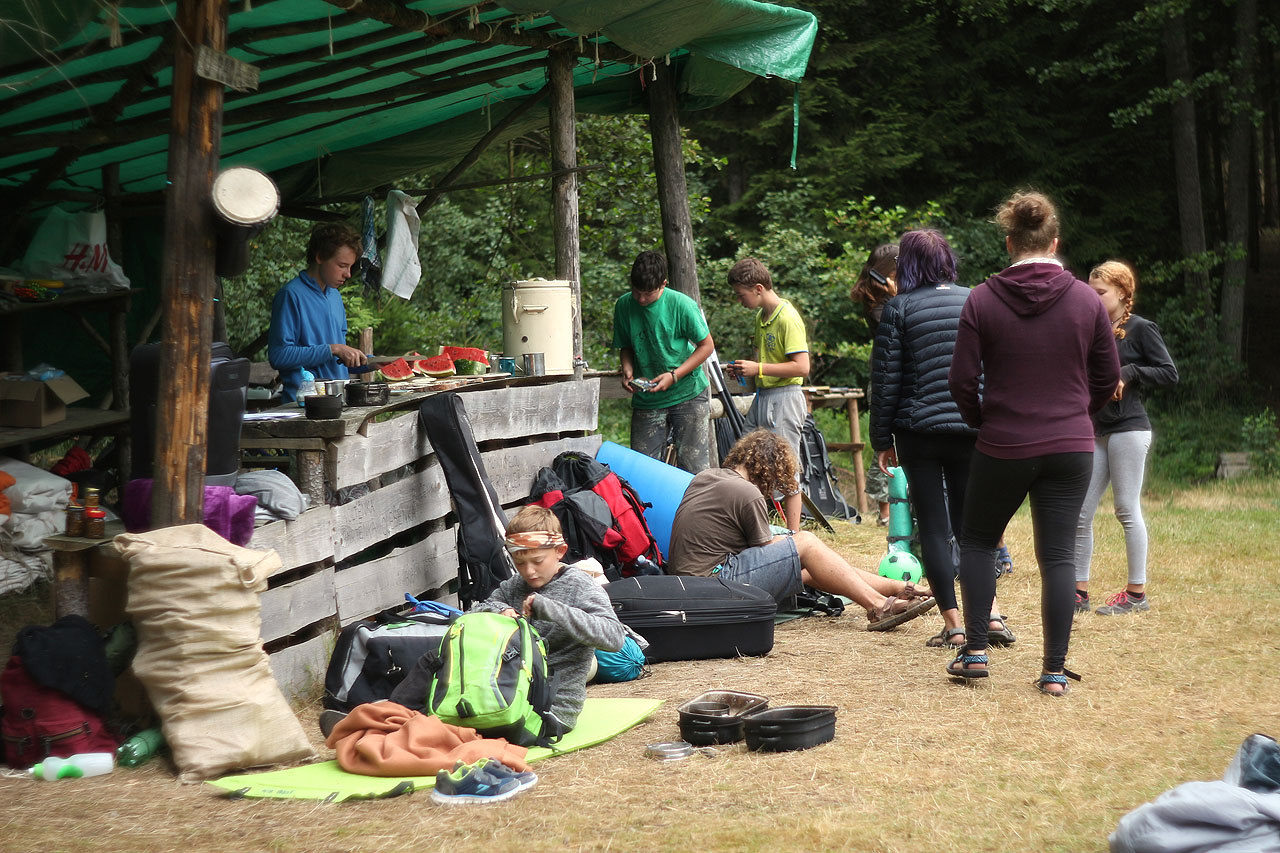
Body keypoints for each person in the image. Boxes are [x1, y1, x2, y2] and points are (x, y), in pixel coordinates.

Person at [947, 190, 1119, 695]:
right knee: (1059, 557)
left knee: (978, 540)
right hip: (1070, 444)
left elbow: (961, 380)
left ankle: (975, 652)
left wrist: (984, 419)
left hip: (1003, 441)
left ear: (1009, 243)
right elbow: (1108, 376)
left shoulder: (982, 298)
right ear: (1055, 241)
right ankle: (1052, 672)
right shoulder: (1087, 299)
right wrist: (1077, 417)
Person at [871, 229, 1012, 650]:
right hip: (972, 428)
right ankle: (990, 615)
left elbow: (886, 381)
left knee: (932, 527)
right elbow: (996, 367)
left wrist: (882, 439)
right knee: (974, 529)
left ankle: (953, 625)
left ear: (908, 267)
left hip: (919, 432)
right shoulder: (978, 299)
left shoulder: (898, 308)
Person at [667, 429, 936, 631]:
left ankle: (901, 588)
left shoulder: (706, 477)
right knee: (805, 543)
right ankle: (878, 607)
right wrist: (792, 540)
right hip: (714, 584)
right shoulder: (746, 492)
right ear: (770, 469)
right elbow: (763, 549)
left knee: (811, 562)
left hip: (691, 586)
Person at [392, 505, 626, 732]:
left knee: (442, 731)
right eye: (519, 563)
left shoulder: (581, 586)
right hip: (499, 690)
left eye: (537, 561)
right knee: (436, 657)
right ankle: (392, 716)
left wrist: (550, 609)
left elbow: (614, 638)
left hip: (548, 709)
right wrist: (499, 612)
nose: (529, 571)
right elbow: (476, 611)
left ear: (560, 551)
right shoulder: (516, 585)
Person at [1073, 261, 1179, 615]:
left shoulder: (1141, 329)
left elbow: (1169, 373)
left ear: (1122, 292)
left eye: (1100, 292)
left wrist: (1129, 371)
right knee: (1080, 513)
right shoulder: (1092, 328)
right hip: (1097, 429)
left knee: (1126, 509)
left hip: (1130, 429)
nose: (1094, 297)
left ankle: (1136, 595)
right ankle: (1078, 593)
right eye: (1090, 291)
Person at [724, 257, 810, 529]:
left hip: (786, 397)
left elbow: (802, 366)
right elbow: (765, 367)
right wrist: (744, 372)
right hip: (762, 398)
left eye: (742, 295)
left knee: (786, 468)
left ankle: (795, 535)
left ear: (758, 288)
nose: (740, 301)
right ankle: (755, 526)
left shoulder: (787, 317)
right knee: (744, 460)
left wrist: (757, 367)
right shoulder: (761, 317)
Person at [612, 250, 715, 474]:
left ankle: (696, 509)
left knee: (694, 468)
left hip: (688, 393)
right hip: (648, 398)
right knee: (642, 469)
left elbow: (706, 346)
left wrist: (675, 375)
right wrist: (627, 369)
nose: (641, 299)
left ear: (663, 284)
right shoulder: (623, 306)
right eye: (637, 291)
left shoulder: (682, 305)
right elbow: (626, 346)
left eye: (648, 294)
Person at [268, 222, 368, 403]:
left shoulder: (335, 297)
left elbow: (337, 360)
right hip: (303, 408)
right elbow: (279, 356)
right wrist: (334, 349)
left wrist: (374, 363)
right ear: (320, 256)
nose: (348, 274)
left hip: (339, 403)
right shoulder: (290, 295)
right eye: (342, 265)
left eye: (350, 267)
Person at [849, 243, 899, 527]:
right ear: (882, 273)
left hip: (895, 374)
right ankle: (884, 512)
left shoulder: (890, 297)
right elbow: (895, 329)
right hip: (883, 376)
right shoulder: (876, 303)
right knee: (885, 442)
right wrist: (897, 293)